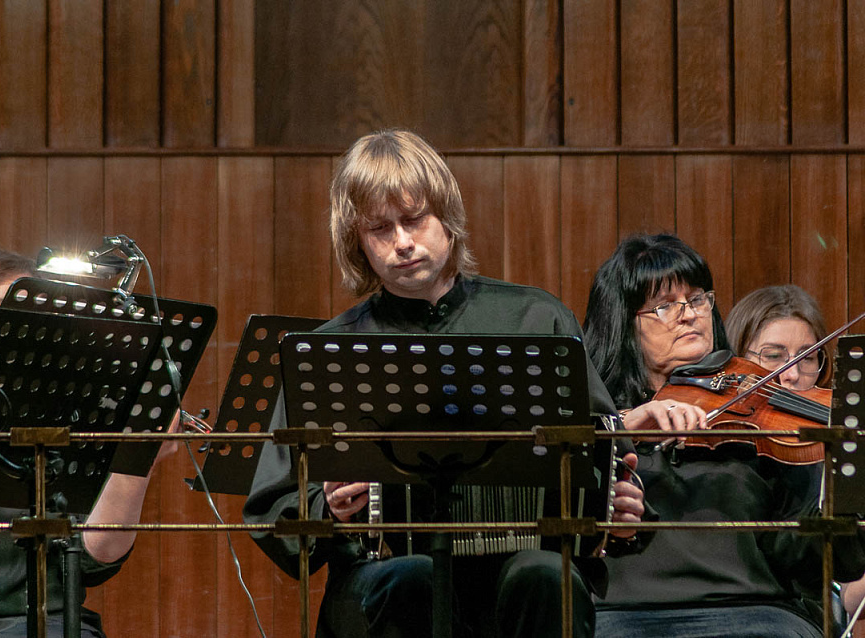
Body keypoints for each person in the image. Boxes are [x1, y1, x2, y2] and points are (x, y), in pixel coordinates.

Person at [243, 129, 647, 638]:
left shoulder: (535, 319)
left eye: (414, 219)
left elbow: (608, 459)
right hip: (385, 576)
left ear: (447, 218)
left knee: (548, 575)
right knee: (415, 577)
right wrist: (329, 509)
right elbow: (271, 507)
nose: (402, 242)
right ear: (357, 242)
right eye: (380, 230)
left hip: (519, 568)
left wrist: (622, 508)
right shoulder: (328, 351)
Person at [582, 234, 865, 638]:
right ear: (623, 322)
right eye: (665, 306)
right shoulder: (598, 415)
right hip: (625, 612)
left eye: (697, 299)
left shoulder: (762, 412)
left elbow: (805, 560)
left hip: (757, 610)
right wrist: (620, 426)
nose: (689, 315)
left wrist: (845, 507)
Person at [0, 247, 177, 637]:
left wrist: (138, 460)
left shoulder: (59, 428)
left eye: (25, 316)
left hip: (46, 622)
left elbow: (97, 558)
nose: (11, 328)